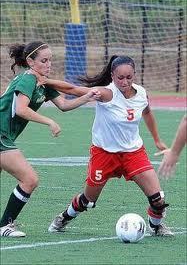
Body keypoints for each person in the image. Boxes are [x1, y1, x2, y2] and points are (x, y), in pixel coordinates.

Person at [42, 55, 174, 236]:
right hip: (104, 154)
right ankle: (63, 218)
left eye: (129, 77)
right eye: (120, 77)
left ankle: (156, 226)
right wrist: (44, 80)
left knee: (158, 198)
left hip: (133, 153)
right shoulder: (106, 94)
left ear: (134, 74)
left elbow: (148, 113)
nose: (125, 82)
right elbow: (73, 89)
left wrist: (157, 140)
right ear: (112, 75)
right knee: (88, 200)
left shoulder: (142, 93)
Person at [0, 41, 101, 237]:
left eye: (50, 60)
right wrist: (49, 122)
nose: (48, 65)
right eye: (44, 61)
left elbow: (63, 104)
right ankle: (5, 225)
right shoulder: (28, 79)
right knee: (29, 179)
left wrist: (87, 97)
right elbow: (21, 109)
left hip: (4, 135)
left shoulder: (43, 83)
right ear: (30, 62)